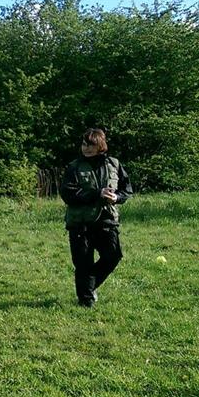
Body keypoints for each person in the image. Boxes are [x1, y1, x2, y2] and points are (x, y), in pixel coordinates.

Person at [60, 128, 132, 307]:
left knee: (113, 256)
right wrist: (96, 194)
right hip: (80, 223)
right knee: (83, 264)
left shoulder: (114, 164)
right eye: (84, 144)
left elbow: (126, 190)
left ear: (101, 145)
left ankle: (89, 288)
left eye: (91, 144)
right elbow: (68, 194)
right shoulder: (74, 167)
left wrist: (116, 198)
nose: (86, 148)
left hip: (107, 221)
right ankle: (85, 302)